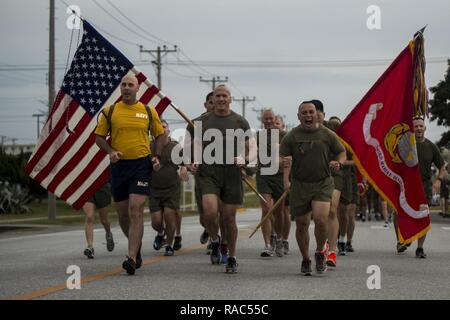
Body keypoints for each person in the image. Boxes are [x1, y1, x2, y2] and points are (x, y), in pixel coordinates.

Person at [95, 74, 165, 275]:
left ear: (137, 88)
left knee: (136, 209)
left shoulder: (148, 111)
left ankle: (131, 257)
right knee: (123, 214)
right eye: (123, 85)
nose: (126, 88)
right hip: (119, 167)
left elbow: (160, 135)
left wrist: (156, 156)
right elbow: (99, 137)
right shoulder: (110, 112)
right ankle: (137, 247)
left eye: (130, 85)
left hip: (141, 165)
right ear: (120, 88)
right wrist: (110, 151)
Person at [187, 84, 257, 273]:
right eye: (218, 96)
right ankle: (215, 240)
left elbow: (253, 147)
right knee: (209, 213)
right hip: (209, 172)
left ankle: (231, 255)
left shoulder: (240, 121)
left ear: (230, 99)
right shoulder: (202, 121)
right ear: (213, 99)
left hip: (232, 173)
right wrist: (192, 161)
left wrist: (245, 159)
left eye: (224, 96)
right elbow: (193, 146)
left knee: (228, 218)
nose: (221, 99)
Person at [280, 101, 346, 275]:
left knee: (321, 219)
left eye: (311, 112)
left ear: (317, 114)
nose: (308, 115)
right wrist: (283, 164)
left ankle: (319, 252)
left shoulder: (327, 134)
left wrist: (338, 163)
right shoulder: (291, 136)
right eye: (304, 113)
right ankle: (305, 259)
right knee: (301, 224)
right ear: (298, 116)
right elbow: (280, 158)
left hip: (322, 183)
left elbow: (341, 152)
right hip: (299, 184)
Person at [393, 117, 446, 257]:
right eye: (415, 126)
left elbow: (442, 166)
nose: (418, 129)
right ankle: (401, 240)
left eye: (421, 126)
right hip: (406, 185)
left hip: (424, 185)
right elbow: (395, 162)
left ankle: (420, 248)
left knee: (423, 215)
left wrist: (438, 180)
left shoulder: (431, 146)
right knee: (399, 213)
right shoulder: (406, 144)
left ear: (425, 128)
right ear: (412, 128)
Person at [150, 120, 188, 256]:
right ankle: (161, 233)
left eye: (164, 127)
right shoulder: (150, 146)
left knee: (169, 215)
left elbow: (186, 161)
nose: (161, 129)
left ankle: (169, 245)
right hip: (154, 189)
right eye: (158, 127)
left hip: (172, 188)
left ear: (168, 130)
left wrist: (184, 168)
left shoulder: (174, 147)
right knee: (156, 221)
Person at [256, 109, 286, 258]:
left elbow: (291, 156)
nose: (268, 121)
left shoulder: (284, 136)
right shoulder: (257, 136)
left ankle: (279, 238)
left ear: (275, 120)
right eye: (266, 119)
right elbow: (250, 152)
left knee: (279, 211)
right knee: (266, 209)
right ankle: (268, 244)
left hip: (280, 177)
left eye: (271, 119)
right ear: (262, 120)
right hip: (263, 177)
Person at [82, 183, 114, 259]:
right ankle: (90, 247)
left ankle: (108, 234)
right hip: (85, 186)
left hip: (101, 186)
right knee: (89, 217)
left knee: (104, 220)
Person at [275, 115, 291, 254]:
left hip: (286, 177)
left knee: (285, 211)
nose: (275, 125)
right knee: (272, 210)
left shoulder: (287, 138)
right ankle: (274, 238)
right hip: (271, 177)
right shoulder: (264, 139)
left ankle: (284, 239)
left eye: (277, 123)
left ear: (282, 125)